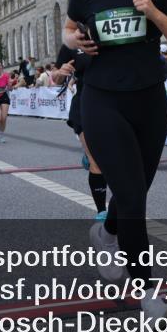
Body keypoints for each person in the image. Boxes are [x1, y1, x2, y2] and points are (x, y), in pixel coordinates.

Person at [64, 0, 167, 322]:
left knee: (135, 190)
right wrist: (76, 41)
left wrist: (153, 13)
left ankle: (107, 232)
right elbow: (68, 31)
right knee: (134, 196)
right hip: (102, 101)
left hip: (149, 100)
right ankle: (149, 294)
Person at [52, 43, 109, 221]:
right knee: (97, 161)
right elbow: (56, 77)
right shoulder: (72, 44)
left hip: (112, 105)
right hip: (84, 104)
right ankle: (102, 211)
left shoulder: (111, 34)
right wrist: (61, 72)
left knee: (112, 159)